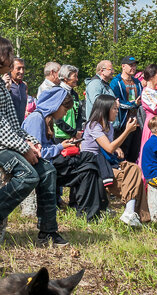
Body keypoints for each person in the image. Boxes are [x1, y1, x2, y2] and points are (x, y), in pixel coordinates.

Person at [0, 35, 66, 246]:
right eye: (8, 54)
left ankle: (48, 232)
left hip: (0, 141)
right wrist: (23, 148)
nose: (12, 59)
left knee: (48, 171)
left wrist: (31, 141)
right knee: (28, 175)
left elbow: (11, 124)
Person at [23, 87, 106, 220]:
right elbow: (38, 153)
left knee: (89, 167)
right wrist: (61, 146)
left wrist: (62, 146)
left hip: (51, 162)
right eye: (65, 110)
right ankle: (90, 212)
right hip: (43, 166)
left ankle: (88, 211)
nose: (64, 114)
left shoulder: (45, 119)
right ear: (56, 105)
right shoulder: (36, 119)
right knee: (89, 163)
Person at [81, 94, 145, 227]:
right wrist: (127, 131)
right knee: (127, 177)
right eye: (115, 109)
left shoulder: (109, 126)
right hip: (92, 162)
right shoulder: (93, 125)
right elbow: (109, 148)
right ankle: (133, 212)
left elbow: (111, 146)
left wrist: (118, 148)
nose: (117, 112)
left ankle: (130, 212)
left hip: (106, 160)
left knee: (134, 168)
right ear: (105, 109)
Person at [110, 56, 143, 164]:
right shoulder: (116, 82)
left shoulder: (137, 82)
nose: (133, 67)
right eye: (131, 65)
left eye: (134, 65)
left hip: (136, 123)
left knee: (134, 153)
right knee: (122, 153)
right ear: (123, 66)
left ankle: (132, 177)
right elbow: (116, 102)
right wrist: (133, 104)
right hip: (122, 123)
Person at [52, 64, 82, 142]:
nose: (77, 79)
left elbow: (78, 115)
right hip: (59, 137)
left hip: (73, 137)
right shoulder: (56, 92)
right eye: (74, 76)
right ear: (65, 78)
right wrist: (73, 132)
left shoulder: (74, 94)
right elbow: (56, 118)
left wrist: (77, 132)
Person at [7, 57, 28, 124]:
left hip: (21, 126)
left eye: (23, 68)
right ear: (11, 69)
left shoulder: (23, 86)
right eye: (18, 68)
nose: (21, 71)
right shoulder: (5, 84)